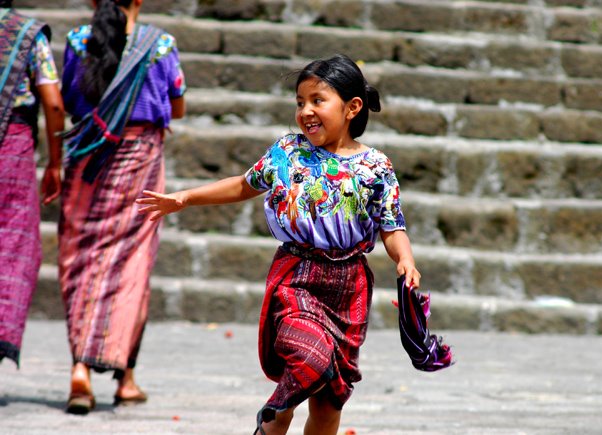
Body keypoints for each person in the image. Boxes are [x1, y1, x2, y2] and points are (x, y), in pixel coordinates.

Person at [137, 53, 420, 435]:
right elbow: (243, 184)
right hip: (297, 276)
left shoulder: (376, 168)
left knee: (329, 398)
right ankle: (275, 411)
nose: (306, 111)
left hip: (349, 287)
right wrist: (186, 197)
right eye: (300, 102)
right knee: (308, 357)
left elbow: (392, 225)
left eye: (317, 100)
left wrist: (406, 260)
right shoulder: (287, 151)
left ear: (352, 107)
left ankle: (276, 415)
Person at [58, 0, 186, 414]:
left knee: (82, 260)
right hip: (140, 163)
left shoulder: (78, 42)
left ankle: (81, 369)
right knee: (131, 266)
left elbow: (67, 100)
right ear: (139, 1)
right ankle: (124, 377)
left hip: (86, 161)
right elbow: (177, 106)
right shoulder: (161, 45)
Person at [0, 1, 64, 367]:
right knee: (13, 242)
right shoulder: (28, 34)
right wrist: (55, 162)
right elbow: (53, 103)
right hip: (12, 149)